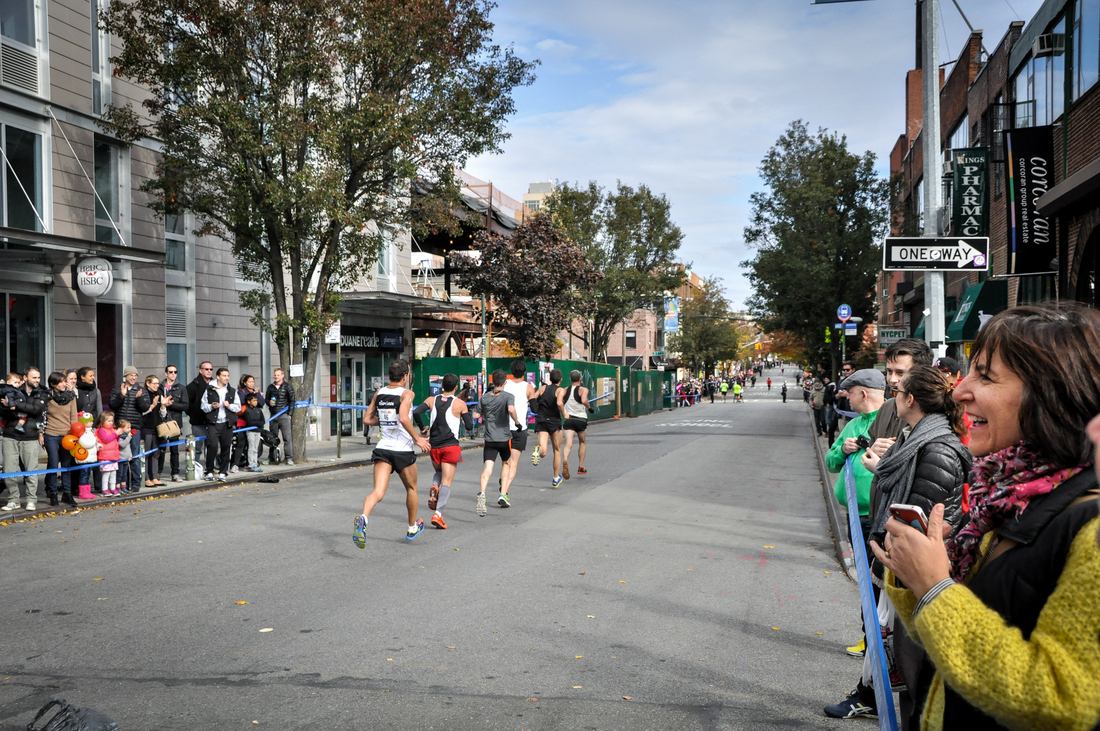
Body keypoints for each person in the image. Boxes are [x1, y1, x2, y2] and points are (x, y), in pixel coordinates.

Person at [872, 304, 1100, 730]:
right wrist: (914, 576)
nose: (959, 391)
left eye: (986, 376)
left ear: (1053, 393)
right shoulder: (1005, 496)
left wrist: (936, 588)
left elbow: (1067, 700)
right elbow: (946, 639)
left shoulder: (1090, 526)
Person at [824, 365, 972, 720]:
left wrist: (880, 474)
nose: (892, 395)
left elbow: (919, 516)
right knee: (894, 650)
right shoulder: (914, 438)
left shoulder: (936, 448)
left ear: (911, 399)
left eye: (898, 389)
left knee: (910, 664)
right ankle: (873, 696)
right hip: (901, 565)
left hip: (915, 572)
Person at [353, 359, 431, 548]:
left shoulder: (379, 393)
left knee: (378, 492)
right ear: (405, 376)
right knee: (411, 489)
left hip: (383, 448)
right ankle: (412, 527)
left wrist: (385, 420)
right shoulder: (407, 393)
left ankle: (363, 518)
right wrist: (417, 439)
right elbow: (404, 417)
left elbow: (367, 419)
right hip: (402, 450)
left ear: (390, 376)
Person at [415, 373, 473, 529]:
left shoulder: (431, 400)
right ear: (455, 387)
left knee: (439, 474)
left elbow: (416, 412)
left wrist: (422, 428)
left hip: (434, 446)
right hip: (450, 446)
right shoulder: (460, 404)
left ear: (442, 386)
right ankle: (438, 514)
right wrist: (464, 415)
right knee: (447, 481)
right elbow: (469, 426)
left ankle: (435, 486)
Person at [1, 368, 47, 512]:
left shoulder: (42, 392)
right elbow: (2, 410)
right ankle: (13, 499)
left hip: (30, 436)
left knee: (31, 469)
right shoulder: (11, 389)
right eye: (34, 377)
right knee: (9, 469)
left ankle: (31, 500)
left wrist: (13, 405)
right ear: (25, 378)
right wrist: (11, 408)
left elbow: (36, 410)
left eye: (38, 377)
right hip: (10, 434)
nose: (37, 380)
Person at [477, 369, 520, 515]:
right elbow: (511, 409)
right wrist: (517, 421)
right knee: (506, 463)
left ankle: (482, 493)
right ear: (505, 382)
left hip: (489, 438)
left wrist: (484, 415)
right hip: (504, 438)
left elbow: (477, 414)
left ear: (492, 381)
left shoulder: (484, 398)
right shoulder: (508, 396)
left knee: (488, 468)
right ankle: (503, 494)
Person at [110, 366, 150, 490]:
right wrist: (121, 396)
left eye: (135, 375)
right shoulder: (118, 389)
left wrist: (139, 399)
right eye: (131, 375)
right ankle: (122, 483)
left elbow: (145, 408)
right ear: (125, 376)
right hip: (120, 427)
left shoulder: (141, 390)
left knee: (134, 455)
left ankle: (136, 483)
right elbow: (112, 405)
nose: (133, 377)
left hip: (134, 427)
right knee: (121, 456)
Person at [499, 360, 535, 498]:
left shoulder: (505, 384)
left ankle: (504, 482)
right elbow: (535, 407)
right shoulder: (528, 387)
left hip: (503, 428)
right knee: (513, 463)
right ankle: (504, 491)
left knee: (505, 461)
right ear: (524, 372)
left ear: (511, 371)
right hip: (520, 429)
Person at [43, 371, 78, 507]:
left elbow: (74, 417)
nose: (65, 383)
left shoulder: (71, 397)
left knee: (66, 465)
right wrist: (41, 434)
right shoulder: (47, 396)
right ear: (53, 384)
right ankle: (52, 493)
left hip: (67, 436)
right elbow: (43, 415)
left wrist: (75, 435)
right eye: (61, 381)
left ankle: (67, 494)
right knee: (53, 463)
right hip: (51, 434)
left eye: (65, 381)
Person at [201, 367, 240, 481]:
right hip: (213, 423)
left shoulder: (232, 390)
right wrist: (211, 406)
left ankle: (223, 472)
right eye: (224, 376)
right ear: (218, 376)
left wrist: (229, 406)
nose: (226, 378)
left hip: (227, 423)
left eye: (228, 376)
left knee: (226, 447)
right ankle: (209, 471)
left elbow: (237, 407)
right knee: (212, 446)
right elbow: (203, 406)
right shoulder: (210, 389)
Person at [531, 368, 565, 488]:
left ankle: (537, 451)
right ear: (561, 379)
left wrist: (535, 409)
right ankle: (556, 478)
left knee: (543, 451)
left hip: (541, 420)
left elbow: (533, 398)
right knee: (557, 450)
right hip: (554, 421)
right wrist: (565, 413)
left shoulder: (543, 388)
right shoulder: (560, 390)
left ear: (550, 379)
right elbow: (560, 403)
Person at [73, 367, 103, 498]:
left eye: (93, 375)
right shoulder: (76, 391)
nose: (93, 378)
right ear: (82, 377)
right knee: (80, 458)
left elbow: (99, 409)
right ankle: (78, 487)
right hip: (78, 430)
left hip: (93, 428)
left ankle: (98, 485)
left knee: (95, 457)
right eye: (90, 375)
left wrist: (97, 426)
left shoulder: (96, 391)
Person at [159, 364, 188, 481]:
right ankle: (158, 473)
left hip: (175, 422)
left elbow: (185, 405)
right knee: (160, 449)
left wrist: (172, 404)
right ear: (166, 373)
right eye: (170, 372)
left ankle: (175, 473)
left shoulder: (181, 388)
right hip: (161, 421)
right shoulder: (160, 387)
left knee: (174, 450)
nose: (173, 374)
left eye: (175, 372)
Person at [561, 370, 590, 479]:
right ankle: (581, 466)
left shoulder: (565, 390)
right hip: (581, 420)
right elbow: (584, 400)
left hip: (569, 419)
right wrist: (589, 406)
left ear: (570, 378)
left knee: (568, 444)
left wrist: (564, 412)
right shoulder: (583, 389)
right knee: (582, 442)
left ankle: (565, 459)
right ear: (580, 379)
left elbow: (560, 402)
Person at [185, 361, 215, 468]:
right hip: (198, 422)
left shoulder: (216, 384)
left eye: (211, 369)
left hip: (213, 422)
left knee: (211, 446)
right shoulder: (193, 386)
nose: (209, 371)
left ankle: (210, 468)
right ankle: (193, 468)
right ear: (200, 370)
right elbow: (187, 405)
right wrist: (193, 414)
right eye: (206, 369)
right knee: (197, 447)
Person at [139, 374, 166, 488]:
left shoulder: (159, 394)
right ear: (148, 383)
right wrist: (153, 405)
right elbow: (142, 412)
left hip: (157, 428)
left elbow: (163, 415)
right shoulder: (144, 394)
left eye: (157, 383)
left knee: (156, 454)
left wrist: (163, 406)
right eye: (154, 383)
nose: (156, 385)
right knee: (146, 453)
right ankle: (146, 478)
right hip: (146, 428)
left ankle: (154, 477)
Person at [265, 368, 295, 466]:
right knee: (272, 438)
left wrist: (289, 414)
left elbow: (292, 401)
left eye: (278, 375)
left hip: (284, 415)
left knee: (287, 438)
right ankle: (272, 458)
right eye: (275, 375)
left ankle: (289, 458)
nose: (276, 377)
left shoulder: (287, 386)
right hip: (273, 416)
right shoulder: (270, 387)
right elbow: (266, 399)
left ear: (282, 376)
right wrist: (269, 403)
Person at [231, 374, 258, 474]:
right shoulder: (241, 392)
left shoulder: (255, 392)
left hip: (253, 422)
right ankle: (235, 465)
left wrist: (256, 394)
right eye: (250, 381)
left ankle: (250, 463)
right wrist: (250, 398)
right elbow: (241, 403)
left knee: (251, 445)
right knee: (241, 444)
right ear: (244, 383)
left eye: (253, 381)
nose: (252, 383)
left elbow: (261, 403)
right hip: (242, 422)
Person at [95, 412, 121, 497]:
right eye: (108, 421)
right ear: (102, 422)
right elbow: (106, 439)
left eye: (112, 421)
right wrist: (116, 434)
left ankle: (113, 488)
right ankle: (105, 489)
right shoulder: (101, 430)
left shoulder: (112, 430)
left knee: (113, 473)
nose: (111, 422)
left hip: (113, 456)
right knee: (106, 474)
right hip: (105, 456)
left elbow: (115, 439)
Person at [240, 392, 265, 473]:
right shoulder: (247, 410)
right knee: (251, 448)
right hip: (250, 431)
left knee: (256, 448)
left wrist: (258, 424)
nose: (255, 402)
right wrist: (258, 423)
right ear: (248, 401)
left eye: (256, 400)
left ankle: (255, 462)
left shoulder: (259, 410)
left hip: (258, 431)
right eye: (253, 400)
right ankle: (251, 464)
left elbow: (263, 421)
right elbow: (250, 422)